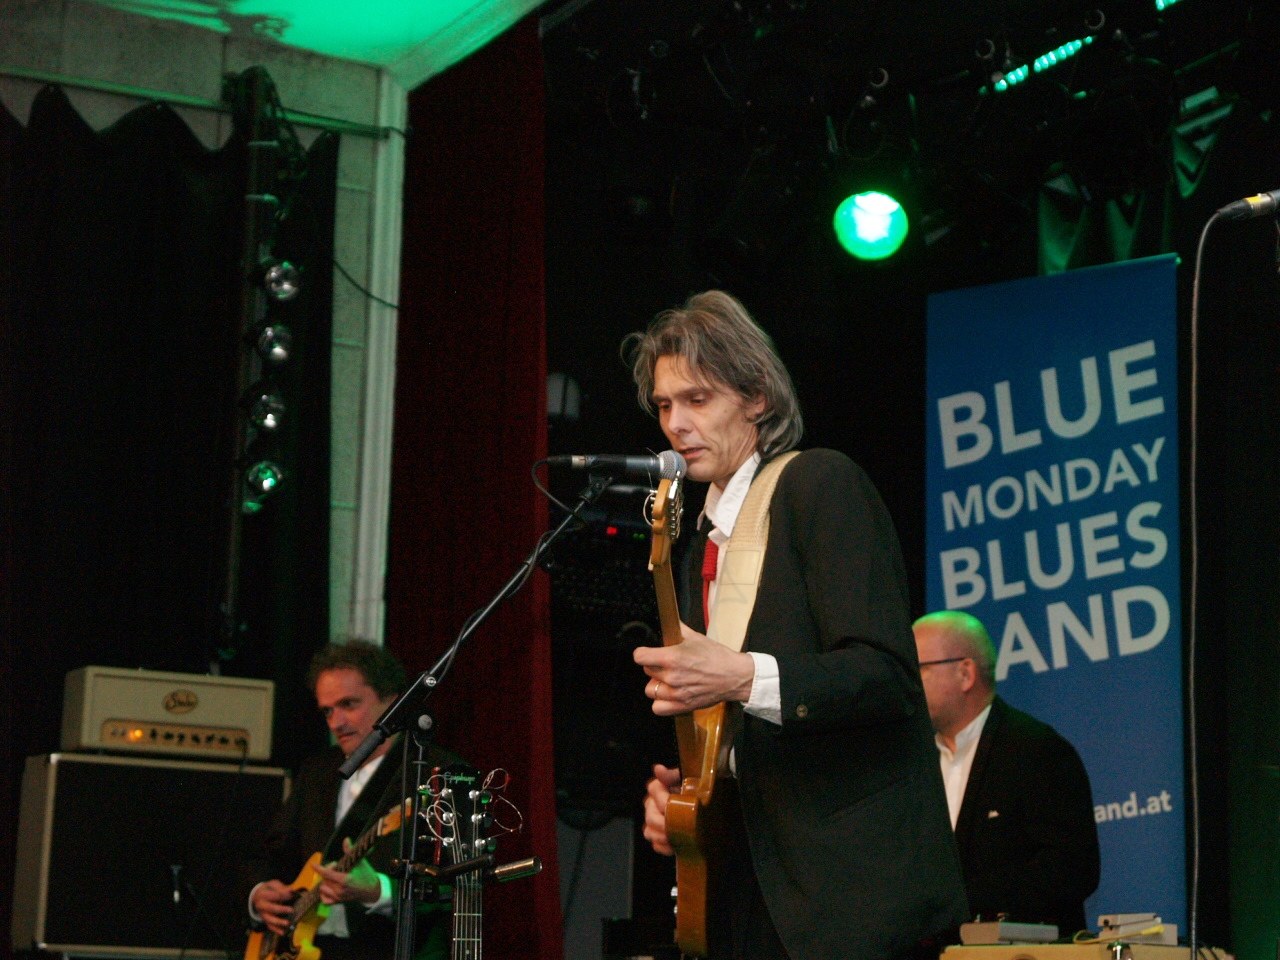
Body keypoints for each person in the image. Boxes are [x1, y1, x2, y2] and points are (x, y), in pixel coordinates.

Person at [625, 290, 968, 960]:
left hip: (849, 893)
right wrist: (690, 800)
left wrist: (741, 676)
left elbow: (888, 675)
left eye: (698, 399)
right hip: (749, 886)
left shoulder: (819, 484)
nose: (676, 425)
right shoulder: (695, 544)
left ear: (757, 397)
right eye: (664, 406)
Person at [241, 641, 457, 960]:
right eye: (327, 711)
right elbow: (271, 853)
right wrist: (259, 894)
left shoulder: (438, 774)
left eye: (349, 704)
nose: (336, 722)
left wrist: (379, 891)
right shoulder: (317, 771)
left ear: (392, 701)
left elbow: (454, 886)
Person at [911, 610, 1100, 936]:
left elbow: (1072, 869)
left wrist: (961, 899)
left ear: (965, 673)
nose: (908, 684)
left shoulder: (1036, 750)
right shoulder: (913, 764)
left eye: (919, 669)